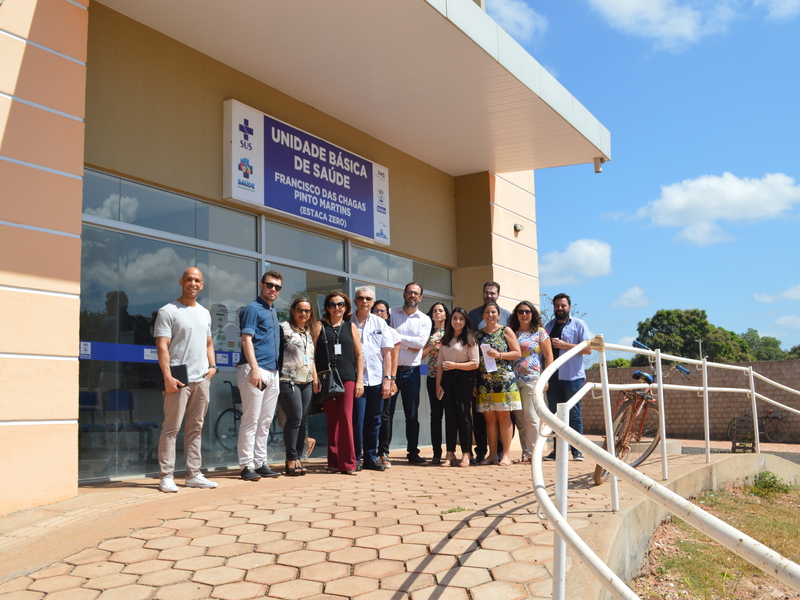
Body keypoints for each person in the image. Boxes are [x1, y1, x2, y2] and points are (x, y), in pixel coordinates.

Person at [153, 268, 218, 492]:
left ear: (202, 285)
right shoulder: (168, 311)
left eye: (197, 280)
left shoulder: (204, 312)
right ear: (181, 282)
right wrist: (167, 377)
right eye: (189, 279)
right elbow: (162, 346)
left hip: (202, 378)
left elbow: (209, 343)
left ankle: (194, 475)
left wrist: (213, 367)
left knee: (195, 428)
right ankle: (166, 476)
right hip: (178, 377)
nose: (193, 283)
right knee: (171, 428)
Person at [236, 270, 284, 481]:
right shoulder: (252, 309)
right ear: (261, 285)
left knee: (265, 420)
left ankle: (260, 462)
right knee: (251, 419)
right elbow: (246, 339)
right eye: (269, 285)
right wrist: (254, 368)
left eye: (277, 287)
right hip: (255, 369)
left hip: (272, 372)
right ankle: (246, 465)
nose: (273, 289)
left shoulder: (273, 312)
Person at [313, 292, 364, 475]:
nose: (337, 308)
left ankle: (349, 463)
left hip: (348, 377)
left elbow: (359, 355)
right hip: (326, 379)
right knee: (332, 420)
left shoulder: (351, 327)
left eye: (340, 304)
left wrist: (360, 381)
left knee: (346, 418)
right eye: (333, 305)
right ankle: (333, 463)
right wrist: (314, 376)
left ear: (346, 307)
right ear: (327, 307)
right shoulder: (320, 326)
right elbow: (311, 353)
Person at [544, 293, 592, 461]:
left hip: (572, 377)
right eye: (557, 306)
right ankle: (557, 450)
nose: (560, 308)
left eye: (563, 305)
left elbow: (588, 349)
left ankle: (577, 449)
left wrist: (565, 345)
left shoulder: (579, 324)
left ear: (569, 307)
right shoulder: (548, 327)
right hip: (552, 377)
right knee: (554, 414)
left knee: (574, 414)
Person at [351, 287, 394, 472]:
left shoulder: (380, 323)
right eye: (361, 298)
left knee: (375, 419)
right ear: (355, 301)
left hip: (377, 378)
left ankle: (370, 457)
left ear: (372, 301)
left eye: (368, 298)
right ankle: (356, 458)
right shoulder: (348, 322)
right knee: (357, 420)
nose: (364, 301)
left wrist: (388, 380)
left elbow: (388, 354)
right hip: (356, 379)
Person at [389, 283, 432, 464]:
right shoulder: (391, 313)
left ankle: (413, 453)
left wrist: (396, 336)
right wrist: (409, 343)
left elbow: (420, 344)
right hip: (390, 372)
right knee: (386, 414)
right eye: (409, 292)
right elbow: (385, 337)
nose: (412, 296)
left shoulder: (424, 320)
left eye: (416, 293)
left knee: (412, 415)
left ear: (420, 297)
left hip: (412, 373)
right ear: (404, 294)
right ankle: (382, 452)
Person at [468, 281, 511, 462]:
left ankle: (503, 452)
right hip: (481, 375)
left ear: (498, 295)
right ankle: (482, 452)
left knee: (504, 416)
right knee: (483, 418)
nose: (489, 296)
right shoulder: (473, 315)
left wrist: (499, 355)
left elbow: (514, 348)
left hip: (502, 377)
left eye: (492, 293)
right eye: (486, 292)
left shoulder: (508, 317)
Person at [475, 302, 521, 466]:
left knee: (504, 417)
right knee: (489, 419)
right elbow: (475, 360)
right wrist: (475, 382)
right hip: (484, 381)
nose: (490, 315)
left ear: (498, 314)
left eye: (493, 312)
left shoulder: (505, 330)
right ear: (483, 315)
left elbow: (517, 353)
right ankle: (492, 454)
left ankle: (506, 455)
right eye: (487, 312)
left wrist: (499, 355)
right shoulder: (478, 335)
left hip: (504, 380)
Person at [277, 297, 320, 476]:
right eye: (300, 310)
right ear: (293, 311)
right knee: (294, 419)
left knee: (302, 419)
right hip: (288, 380)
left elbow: (310, 358)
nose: (304, 314)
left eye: (307, 311)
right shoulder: (283, 328)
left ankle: (299, 458)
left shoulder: (308, 333)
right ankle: (290, 458)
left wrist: (315, 377)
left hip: (307, 381)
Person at [508, 301, 553, 463]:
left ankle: (534, 454)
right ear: (516, 314)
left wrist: (545, 378)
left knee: (531, 418)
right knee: (520, 420)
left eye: (527, 311)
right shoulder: (511, 332)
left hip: (532, 379)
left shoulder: (540, 333)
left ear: (532, 314)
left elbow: (548, 356)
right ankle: (526, 453)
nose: (524, 314)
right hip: (513, 381)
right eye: (521, 311)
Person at [435, 307, 479, 468]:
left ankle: (466, 453)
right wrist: (438, 384)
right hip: (447, 378)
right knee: (450, 417)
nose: (457, 321)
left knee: (464, 416)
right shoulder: (445, 340)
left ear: (465, 321)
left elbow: (475, 363)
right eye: (455, 318)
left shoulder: (470, 340)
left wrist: (455, 365)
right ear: (450, 320)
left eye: (461, 318)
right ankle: (450, 453)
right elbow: (439, 365)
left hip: (464, 377)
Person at [422, 303, 449, 463]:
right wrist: (432, 345)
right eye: (435, 311)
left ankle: (451, 451)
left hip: (450, 377)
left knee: (452, 415)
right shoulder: (427, 333)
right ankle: (436, 453)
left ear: (446, 314)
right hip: (432, 377)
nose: (438, 313)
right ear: (431, 315)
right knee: (436, 416)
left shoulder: (452, 332)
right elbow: (421, 358)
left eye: (441, 310)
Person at [374, 300, 400, 468]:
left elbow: (395, 358)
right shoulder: (366, 329)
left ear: (387, 315)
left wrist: (391, 379)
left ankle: (383, 452)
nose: (379, 314)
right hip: (368, 379)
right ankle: (367, 451)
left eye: (382, 311)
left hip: (385, 378)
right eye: (376, 311)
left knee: (385, 416)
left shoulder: (392, 333)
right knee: (368, 416)